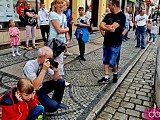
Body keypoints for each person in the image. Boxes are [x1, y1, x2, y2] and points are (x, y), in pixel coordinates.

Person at [23, 46, 67, 112]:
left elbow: (55, 79)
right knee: (53, 107)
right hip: (32, 91)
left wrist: (56, 71)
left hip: (41, 87)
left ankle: (57, 102)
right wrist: (44, 69)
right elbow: (35, 86)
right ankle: (39, 105)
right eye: (49, 59)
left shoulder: (44, 64)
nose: (50, 60)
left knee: (61, 81)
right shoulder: (30, 65)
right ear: (40, 57)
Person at [98, 0, 126, 84]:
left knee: (112, 62)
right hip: (106, 41)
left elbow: (113, 27)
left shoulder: (121, 16)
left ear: (114, 5)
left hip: (115, 42)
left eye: (109, 5)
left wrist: (104, 27)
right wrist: (106, 27)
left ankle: (115, 73)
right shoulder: (108, 15)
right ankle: (106, 76)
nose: (108, 7)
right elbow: (101, 25)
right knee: (105, 59)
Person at [48, 0, 70, 86]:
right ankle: (58, 78)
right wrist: (67, 29)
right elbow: (59, 30)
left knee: (59, 60)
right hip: (54, 40)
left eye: (62, 3)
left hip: (61, 41)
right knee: (53, 59)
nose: (60, 5)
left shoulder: (64, 16)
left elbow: (64, 30)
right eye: (58, 3)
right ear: (55, 5)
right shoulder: (53, 14)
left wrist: (67, 40)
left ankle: (56, 76)